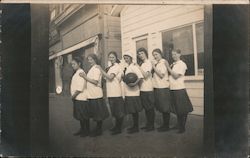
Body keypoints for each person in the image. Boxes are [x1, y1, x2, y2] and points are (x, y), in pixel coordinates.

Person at [79, 53, 109, 137]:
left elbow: (95, 82)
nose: (89, 61)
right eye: (88, 59)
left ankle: (99, 130)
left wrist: (85, 77)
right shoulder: (92, 68)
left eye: (91, 59)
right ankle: (97, 129)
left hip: (96, 94)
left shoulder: (96, 68)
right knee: (96, 113)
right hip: (91, 94)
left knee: (98, 114)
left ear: (95, 59)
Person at [96, 51, 126, 135]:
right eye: (110, 57)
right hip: (111, 92)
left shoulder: (116, 67)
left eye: (113, 57)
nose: (111, 59)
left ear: (116, 58)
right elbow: (106, 78)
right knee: (114, 111)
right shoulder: (110, 67)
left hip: (116, 92)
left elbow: (110, 77)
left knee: (118, 112)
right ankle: (116, 127)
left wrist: (101, 69)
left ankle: (118, 128)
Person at [166, 49, 193, 134]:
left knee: (182, 109)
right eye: (172, 54)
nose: (173, 56)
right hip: (173, 88)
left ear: (179, 54)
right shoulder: (173, 64)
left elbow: (176, 76)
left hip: (179, 89)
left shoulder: (182, 64)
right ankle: (178, 125)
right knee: (177, 109)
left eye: (175, 54)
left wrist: (167, 67)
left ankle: (182, 127)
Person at [123, 52, 143, 134]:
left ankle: (136, 127)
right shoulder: (127, 67)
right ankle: (134, 126)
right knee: (132, 110)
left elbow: (140, 77)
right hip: (128, 91)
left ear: (131, 58)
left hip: (134, 92)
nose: (126, 59)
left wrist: (134, 84)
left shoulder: (134, 67)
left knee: (134, 111)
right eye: (124, 58)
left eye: (127, 58)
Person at [151, 48, 171, 132]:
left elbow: (161, 75)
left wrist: (153, 66)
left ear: (160, 54)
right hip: (157, 87)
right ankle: (164, 125)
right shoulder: (158, 63)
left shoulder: (163, 62)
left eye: (156, 54)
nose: (155, 56)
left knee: (165, 107)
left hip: (163, 87)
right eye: (154, 55)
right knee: (162, 107)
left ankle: (166, 126)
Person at [137, 48, 155, 132]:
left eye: (142, 53)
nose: (140, 55)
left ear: (146, 53)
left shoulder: (148, 63)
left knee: (150, 108)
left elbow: (146, 76)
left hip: (148, 88)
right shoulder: (142, 64)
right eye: (139, 54)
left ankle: (151, 126)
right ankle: (148, 124)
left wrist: (138, 67)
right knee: (146, 108)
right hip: (142, 88)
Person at [70, 57, 89, 137]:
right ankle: (82, 130)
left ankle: (86, 131)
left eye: (74, 64)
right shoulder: (77, 72)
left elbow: (80, 88)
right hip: (78, 98)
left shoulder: (81, 72)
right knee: (80, 116)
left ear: (79, 64)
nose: (72, 66)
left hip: (81, 97)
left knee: (83, 116)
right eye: (72, 64)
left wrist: (73, 96)